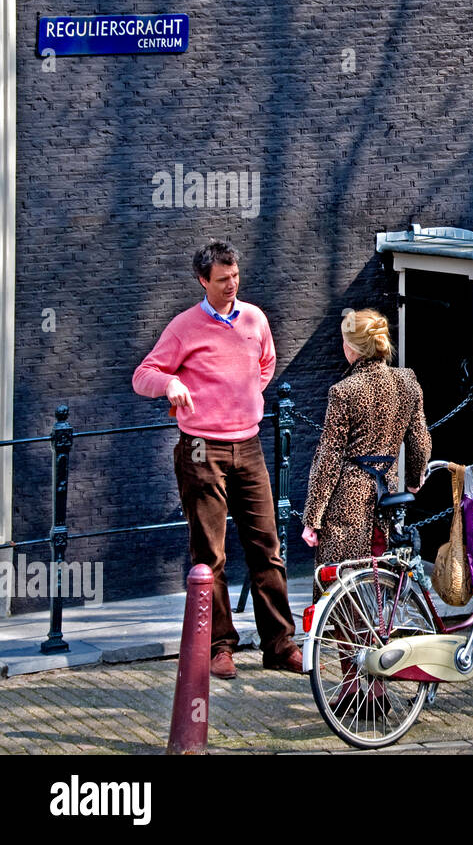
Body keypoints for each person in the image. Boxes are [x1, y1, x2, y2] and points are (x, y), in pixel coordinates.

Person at [132, 240, 301, 678]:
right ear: (203, 280)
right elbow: (143, 375)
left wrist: (241, 399)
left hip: (248, 444)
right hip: (201, 447)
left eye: (236, 276)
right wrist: (170, 386)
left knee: (267, 546)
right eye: (223, 279)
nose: (232, 285)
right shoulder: (184, 327)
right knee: (211, 553)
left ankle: (280, 646)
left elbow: (265, 365)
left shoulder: (254, 319)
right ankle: (219, 647)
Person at [300, 308, 431, 571]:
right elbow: (420, 440)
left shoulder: (343, 392)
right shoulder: (407, 382)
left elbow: (329, 457)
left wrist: (312, 518)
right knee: (381, 572)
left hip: (348, 500)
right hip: (387, 493)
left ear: (352, 348)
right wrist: (415, 480)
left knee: (342, 581)